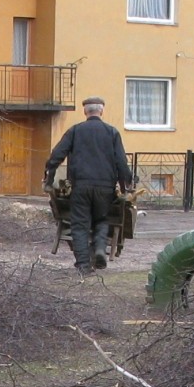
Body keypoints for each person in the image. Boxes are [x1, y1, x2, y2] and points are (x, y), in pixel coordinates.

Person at [44, 98, 134, 272]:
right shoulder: (112, 132)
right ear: (101, 111)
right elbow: (122, 163)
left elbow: (56, 155)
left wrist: (49, 179)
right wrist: (125, 188)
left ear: (85, 112)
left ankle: (83, 264)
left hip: (81, 186)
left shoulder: (75, 131)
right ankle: (100, 249)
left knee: (79, 225)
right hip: (105, 187)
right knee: (102, 219)